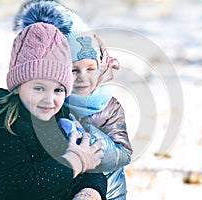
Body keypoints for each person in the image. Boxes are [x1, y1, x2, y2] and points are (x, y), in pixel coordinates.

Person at [0, 21, 107, 200]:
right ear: (17, 86)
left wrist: (89, 192)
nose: (49, 100)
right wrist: (73, 163)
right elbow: (22, 187)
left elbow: (91, 165)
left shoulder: (62, 119)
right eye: (39, 88)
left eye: (58, 90)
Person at [14, 1, 133, 199]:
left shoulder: (109, 106)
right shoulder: (52, 102)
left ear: (101, 66)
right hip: (63, 187)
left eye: (90, 68)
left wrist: (84, 137)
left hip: (108, 191)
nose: (83, 77)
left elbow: (123, 154)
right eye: (73, 70)